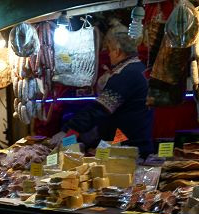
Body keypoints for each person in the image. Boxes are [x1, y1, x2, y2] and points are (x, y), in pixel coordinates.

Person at [51, 23, 154, 158]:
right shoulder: (138, 68)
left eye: (109, 50)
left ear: (117, 50)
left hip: (129, 149)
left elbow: (100, 109)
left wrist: (67, 130)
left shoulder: (127, 75)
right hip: (133, 143)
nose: (109, 55)